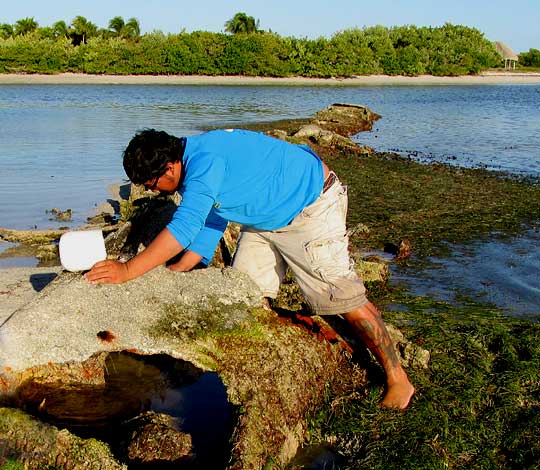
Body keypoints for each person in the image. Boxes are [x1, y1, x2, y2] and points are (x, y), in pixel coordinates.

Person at [85, 128, 414, 409]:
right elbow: (215, 211)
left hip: (311, 207)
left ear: (170, 168)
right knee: (245, 294)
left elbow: (184, 227)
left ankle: (398, 377)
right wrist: (185, 263)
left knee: (342, 299)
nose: (152, 191)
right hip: (266, 219)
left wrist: (127, 271)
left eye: (151, 184)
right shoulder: (190, 158)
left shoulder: (203, 163)